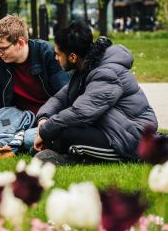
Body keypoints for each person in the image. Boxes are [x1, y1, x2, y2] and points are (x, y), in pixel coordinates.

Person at [34, 21, 158, 164]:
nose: (55, 58)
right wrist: (43, 119)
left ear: (73, 57)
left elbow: (81, 112)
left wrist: (46, 131)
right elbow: (61, 98)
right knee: (59, 134)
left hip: (133, 137)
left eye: (58, 54)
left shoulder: (106, 73)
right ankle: (71, 155)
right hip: (114, 129)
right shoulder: (86, 67)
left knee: (66, 135)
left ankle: (73, 156)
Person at [0, 15, 69, 151]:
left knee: (28, 139)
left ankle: (22, 140)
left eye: (3, 49)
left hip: (49, 119)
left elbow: (64, 95)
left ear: (20, 43)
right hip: (18, 121)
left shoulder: (48, 54)